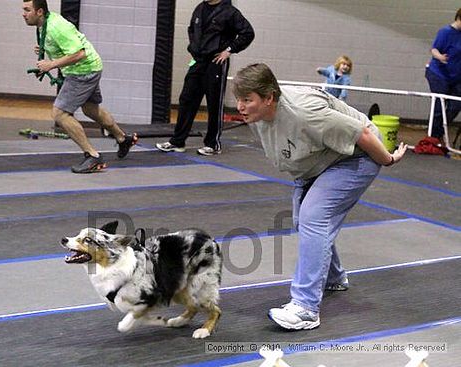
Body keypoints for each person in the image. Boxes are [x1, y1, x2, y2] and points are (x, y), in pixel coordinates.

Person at [232, 63, 407, 330]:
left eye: (247, 100)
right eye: (238, 99)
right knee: (304, 220)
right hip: (319, 160)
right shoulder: (259, 116)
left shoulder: (304, 113)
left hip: (358, 155)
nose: (240, 106)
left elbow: (362, 134)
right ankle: (334, 277)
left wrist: (388, 159)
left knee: (314, 217)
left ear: (268, 98)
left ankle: (305, 308)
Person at [22, 0, 138, 173]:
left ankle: (93, 156)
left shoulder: (56, 26)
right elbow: (65, 47)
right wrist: (46, 54)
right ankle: (123, 138)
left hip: (83, 71)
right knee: (91, 109)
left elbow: (79, 53)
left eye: (27, 10)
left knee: (59, 114)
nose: (23, 14)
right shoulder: (45, 23)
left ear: (39, 11)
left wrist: (51, 64)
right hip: (91, 67)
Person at [156, 0, 254, 156]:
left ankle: (213, 144)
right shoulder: (200, 8)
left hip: (216, 61)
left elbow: (248, 33)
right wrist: (194, 48)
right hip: (198, 60)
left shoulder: (230, 12)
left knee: (214, 103)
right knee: (187, 99)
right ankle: (177, 141)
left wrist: (229, 50)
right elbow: (191, 30)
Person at [424, 8, 461, 140]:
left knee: (456, 106)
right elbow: (434, 49)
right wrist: (440, 57)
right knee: (439, 107)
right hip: (438, 74)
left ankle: (439, 132)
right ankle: (433, 138)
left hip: (456, 77)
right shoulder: (445, 32)